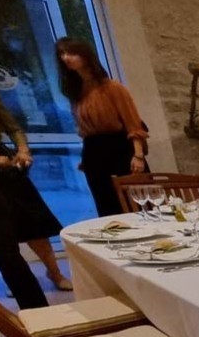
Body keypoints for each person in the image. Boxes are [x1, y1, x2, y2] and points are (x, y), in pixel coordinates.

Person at [55, 37, 148, 217]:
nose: (66, 58)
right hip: (93, 151)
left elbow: (133, 123)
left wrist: (138, 155)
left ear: (85, 56)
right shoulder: (77, 94)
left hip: (120, 148)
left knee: (135, 203)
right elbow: (85, 130)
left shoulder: (112, 88)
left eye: (71, 53)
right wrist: (88, 156)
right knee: (106, 205)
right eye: (62, 54)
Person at [0, 90, 72, 291]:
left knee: (33, 220)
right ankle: (16, 278)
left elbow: (14, 127)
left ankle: (54, 272)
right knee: (2, 229)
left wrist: (23, 149)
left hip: (5, 162)